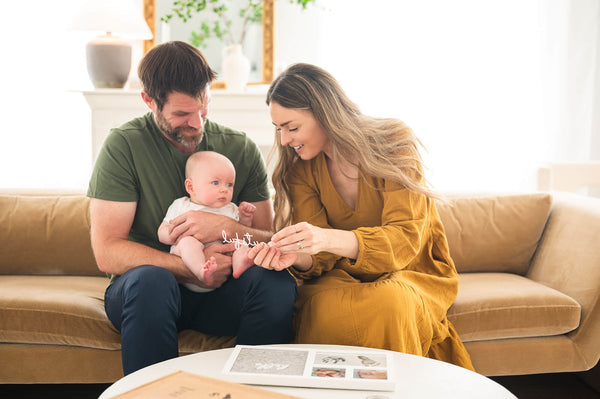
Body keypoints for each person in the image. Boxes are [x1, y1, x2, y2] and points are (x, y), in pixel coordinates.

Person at [87, 41, 297, 375]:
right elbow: (107, 252)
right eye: (182, 114)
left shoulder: (239, 148)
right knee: (152, 282)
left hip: (223, 293)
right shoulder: (124, 146)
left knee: (275, 282)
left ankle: (254, 393)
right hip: (146, 295)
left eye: (203, 109)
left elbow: (264, 239)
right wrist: (195, 269)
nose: (197, 124)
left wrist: (226, 231)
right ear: (149, 101)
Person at [247, 63, 474, 370]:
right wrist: (295, 255)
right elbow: (321, 257)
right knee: (319, 307)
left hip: (409, 270)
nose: (285, 140)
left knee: (391, 303)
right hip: (341, 276)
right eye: (279, 130)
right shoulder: (300, 169)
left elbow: (405, 240)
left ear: (323, 113)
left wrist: (326, 237)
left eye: (292, 127)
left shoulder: (394, 142)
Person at [158, 151, 256, 292]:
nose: (224, 190)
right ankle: (201, 271)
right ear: (191, 187)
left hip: (223, 269)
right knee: (188, 242)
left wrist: (246, 218)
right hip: (187, 266)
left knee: (241, 243)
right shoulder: (182, 205)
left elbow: (241, 232)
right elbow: (161, 232)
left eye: (230, 184)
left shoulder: (231, 209)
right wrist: (172, 235)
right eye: (215, 183)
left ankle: (241, 265)